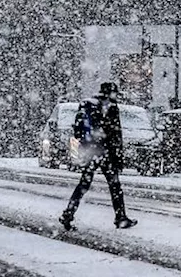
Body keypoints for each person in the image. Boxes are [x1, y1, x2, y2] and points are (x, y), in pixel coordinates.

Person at [59, 82, 137, 230]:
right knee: (115, 186)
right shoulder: (111, 107)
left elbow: (78, 131)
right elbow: (115, 134)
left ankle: (68, 213)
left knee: (84, 184)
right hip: (106, 152)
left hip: (91, 151)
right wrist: (118, 157)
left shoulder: (88, 105)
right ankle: (120, 217)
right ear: (112, 93)